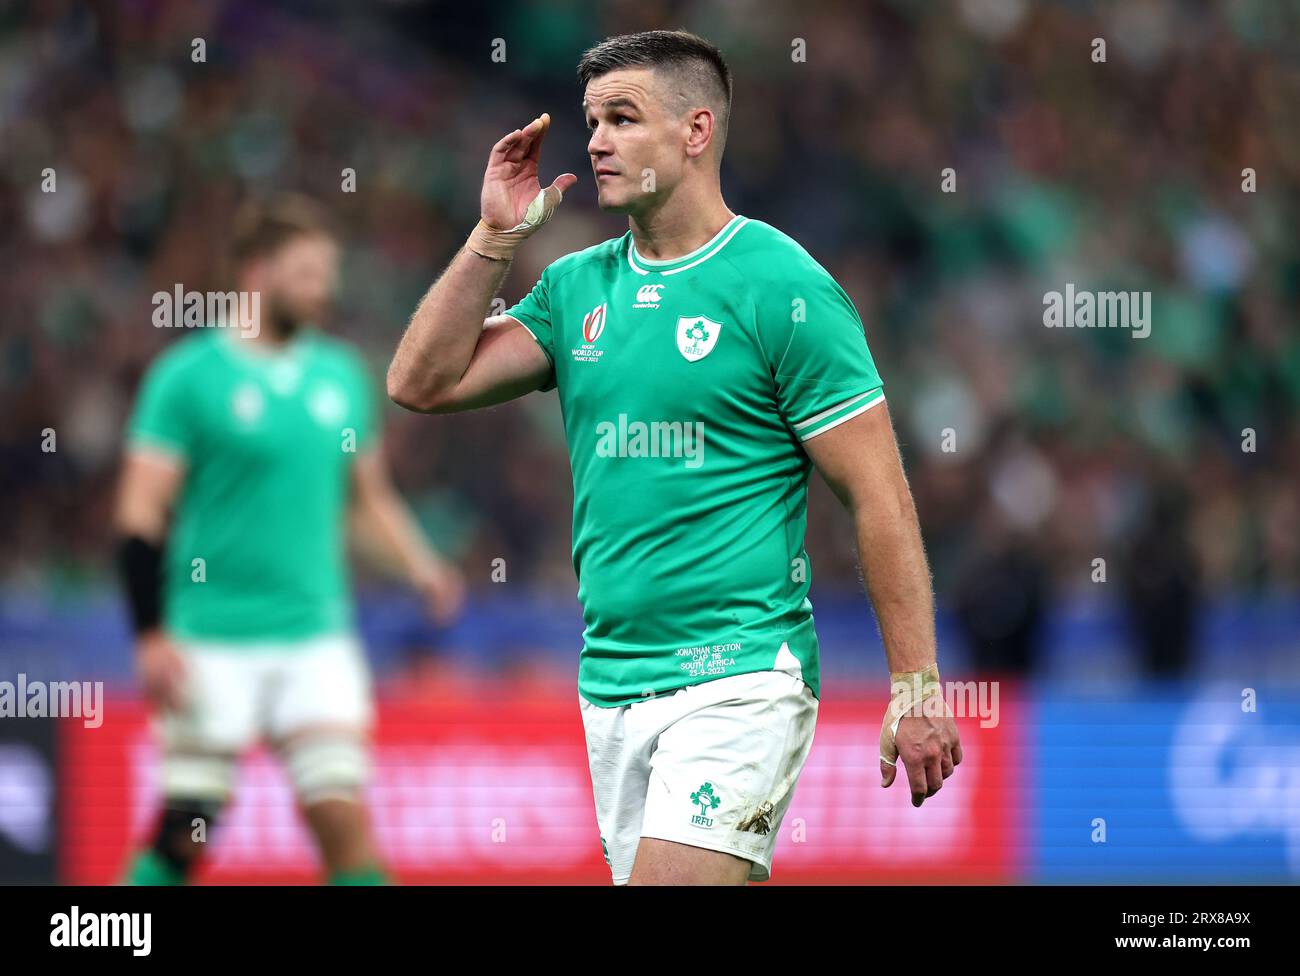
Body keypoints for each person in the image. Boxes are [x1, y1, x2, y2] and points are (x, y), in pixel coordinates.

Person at [388, 30, 959, 885]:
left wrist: (916, 684)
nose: (597, 141)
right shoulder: (576, 288)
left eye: (624, 118)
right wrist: (493, 238)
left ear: (696, 132)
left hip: (740, 674)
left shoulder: (782, 285)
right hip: (613, 680)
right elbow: (420, 381)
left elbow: (879, 495)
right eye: (591, 121)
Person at [116, 194, 464, 885]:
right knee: (188, 828)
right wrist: (149, 632)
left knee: (341, 817)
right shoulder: (188, 377)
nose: (322, 289)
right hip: (208, 636)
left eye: (326, 273)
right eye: (305, 273)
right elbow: (139, 513)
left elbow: (365, 504)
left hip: (314, 637)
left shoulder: (339, 375)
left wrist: (421, 566)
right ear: (256, 272)